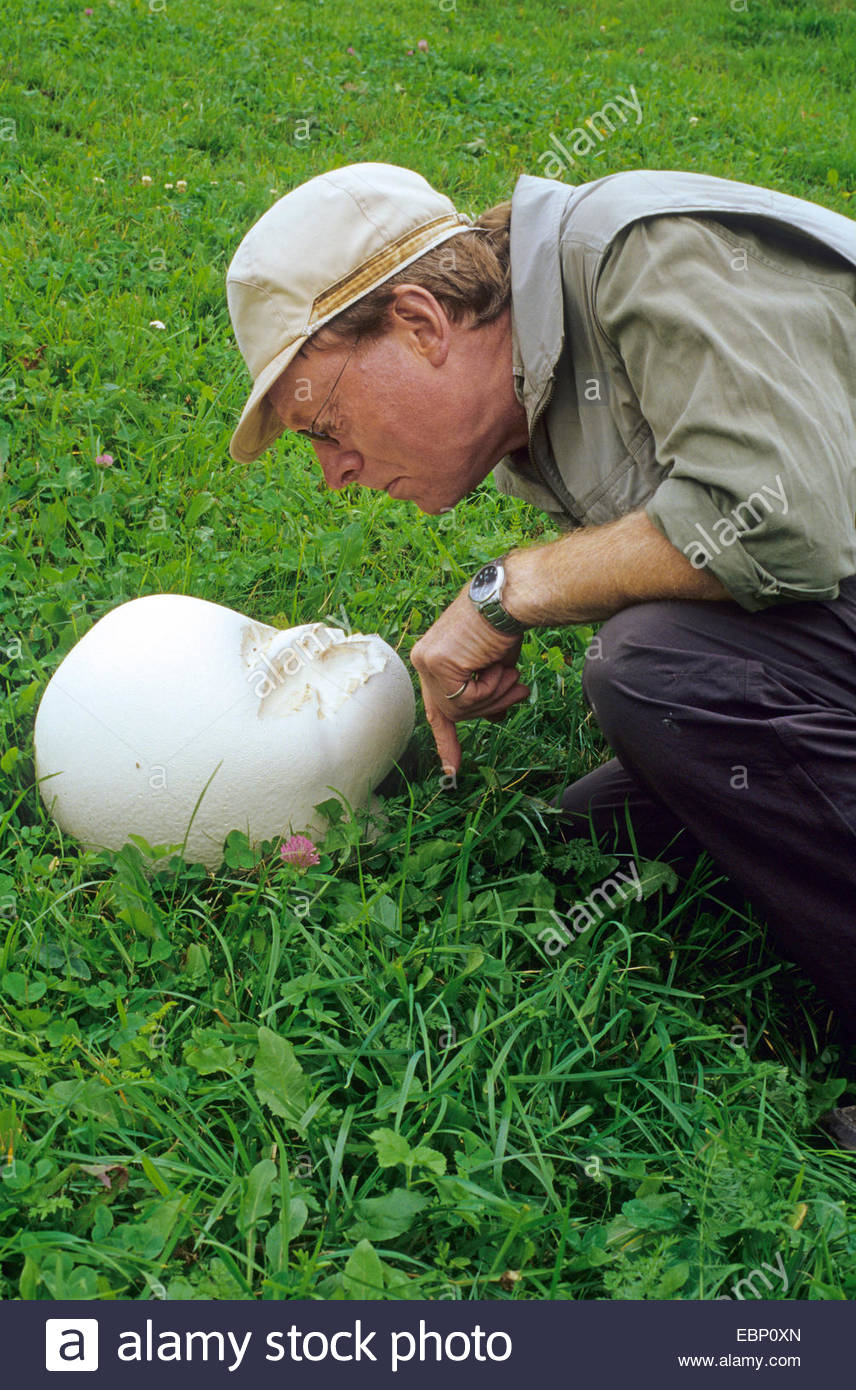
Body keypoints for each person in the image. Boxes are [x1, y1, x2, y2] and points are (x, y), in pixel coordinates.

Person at [225, 162, 856, 1144]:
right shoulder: (540, 392)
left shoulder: (643, 251)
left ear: (422, 323)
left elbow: (781, 525)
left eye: (327, 425)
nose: (335, 472)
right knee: (590, 826)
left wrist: (509, 590)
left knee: (655, 671)